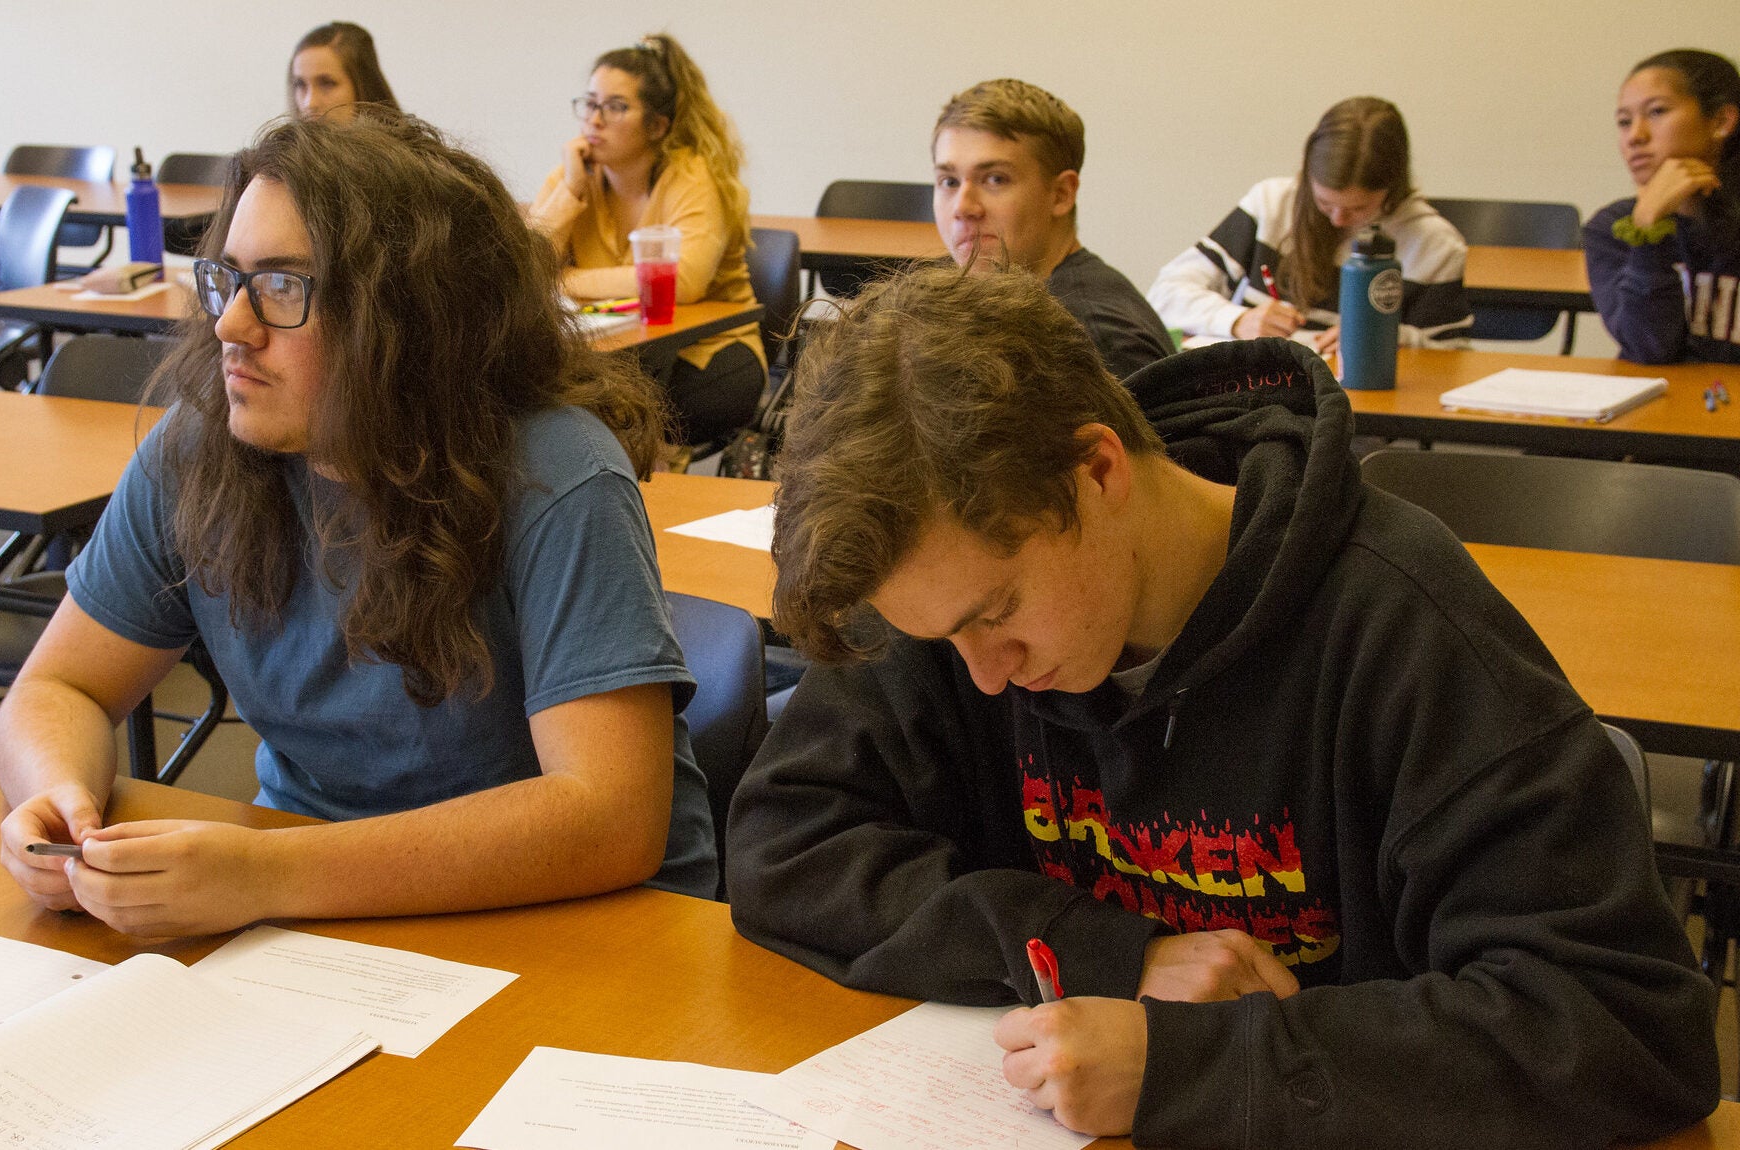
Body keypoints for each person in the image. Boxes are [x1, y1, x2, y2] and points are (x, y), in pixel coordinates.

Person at [724, 264, 1717, 1147]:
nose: (982, 674)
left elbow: (1618, 1022)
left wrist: (1189, 1065)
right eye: (946, 638)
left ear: (1097, 469)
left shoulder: (1398, 625)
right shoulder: (952, 584)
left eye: (997, 615)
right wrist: (1102, 954)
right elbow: (784, 840)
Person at [0, 113, 718, 939]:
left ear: (407, 319)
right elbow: (57, 688)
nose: (231, 324)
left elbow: (608, 819)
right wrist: (58, 801)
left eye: (283, 288)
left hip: (572, 917)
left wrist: (264, 872)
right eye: (228, 280)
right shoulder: (200, 451)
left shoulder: (556, 473)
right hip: (317, 899)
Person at [529, 33, 764, 449]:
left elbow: (684, 280)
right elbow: (524, 270)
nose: (594, 120)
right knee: (541, 398)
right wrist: (568, 192)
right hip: (613, 349)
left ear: (657, 126)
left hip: (706, 348)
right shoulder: (574, 176)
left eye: (615, 107)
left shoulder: (692, 176)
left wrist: (566, 280)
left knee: (624, 410)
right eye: (590, 103)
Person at [1146, 96, 1470, 352]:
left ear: (1393, 189)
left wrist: (1386, 337)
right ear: (1307, 176)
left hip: (1359, 414)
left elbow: (1448, 356)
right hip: (1256, 397)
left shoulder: (1434, 245)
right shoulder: (1271, 204)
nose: (1338, 219)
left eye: (1359, 209)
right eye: (1325, 203)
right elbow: (1165, 293)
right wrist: (1237, 320)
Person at [932, 79, 1171, 380]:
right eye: (949, 182)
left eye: (995, 179)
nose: (963, 207)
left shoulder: (1092, 338)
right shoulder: (1004, 306)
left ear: (1061, 194)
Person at [1586, 49, 1740, 364]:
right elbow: (1650, 350)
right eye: (1624, 122)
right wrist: (1648, 229)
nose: (1635, 136)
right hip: (1664, 409)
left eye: (1656, 112)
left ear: (1721, 121)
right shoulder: (1614, 226)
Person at [288, 21, 399, 122]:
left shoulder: (405, 143)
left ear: (365, 85)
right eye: (300, 84)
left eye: (326, 83)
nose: (310, 103)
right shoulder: (283, 143)